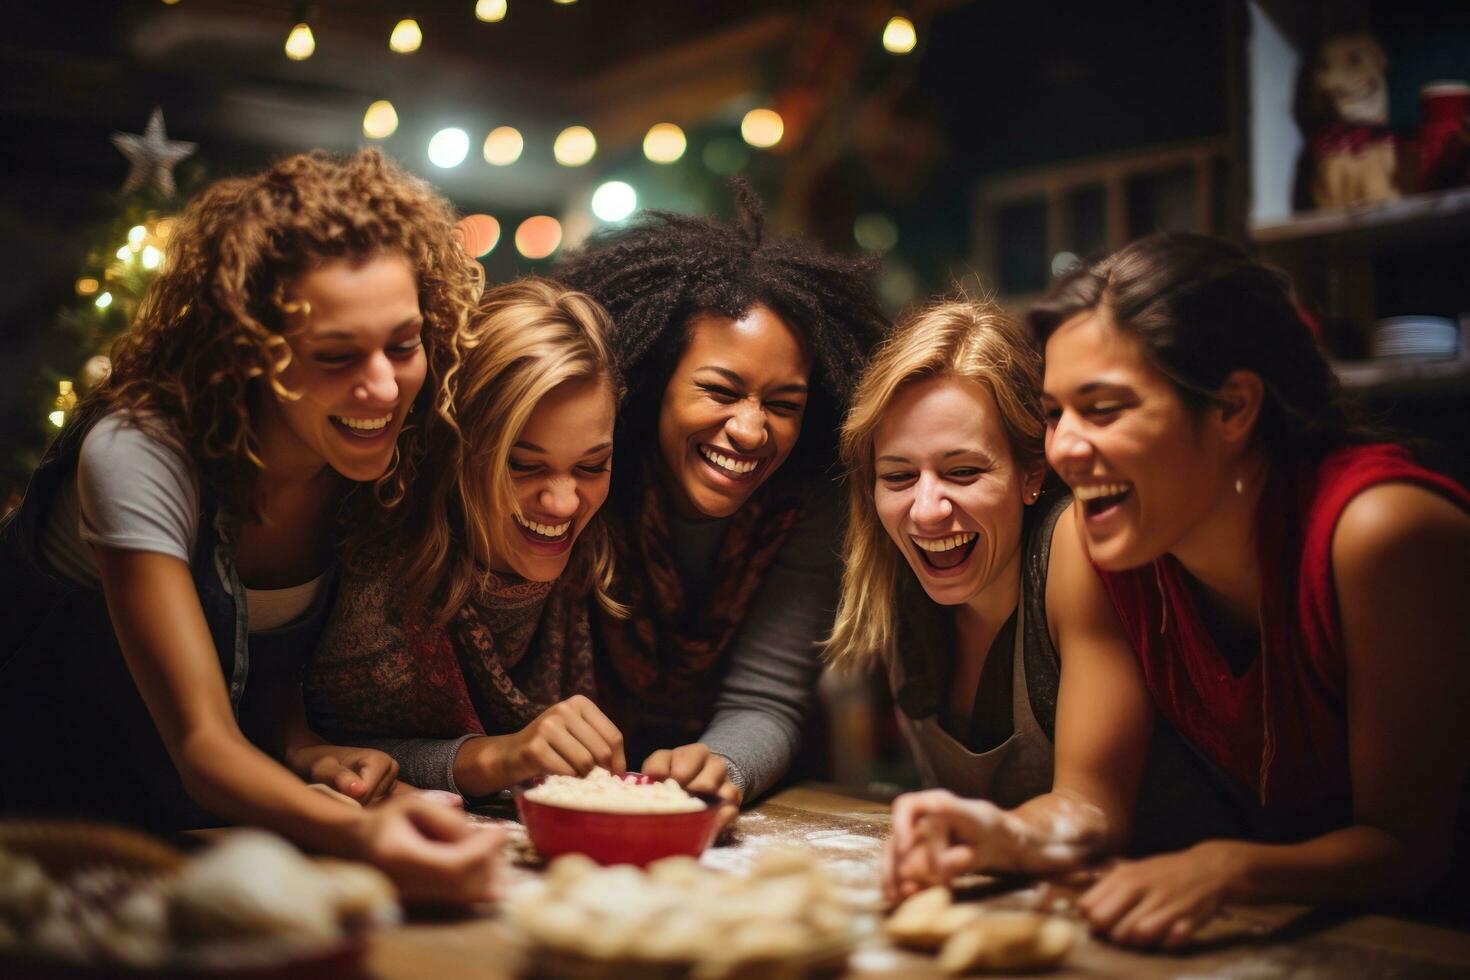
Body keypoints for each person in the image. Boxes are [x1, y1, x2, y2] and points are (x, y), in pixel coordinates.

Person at [884, 233, 1470, 947]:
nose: (1064, 447)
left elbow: (1413, 846)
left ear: (1232, 409)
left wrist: (1228, 869)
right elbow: (1092, 804)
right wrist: (1004, 835)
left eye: (1103, 408)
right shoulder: (1124, 548)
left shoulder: (1381, 534)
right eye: (1055, 412)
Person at [0, 150, 502, 903]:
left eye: (404, 344)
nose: (384, 385)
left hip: (192, 853)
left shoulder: (361, 457)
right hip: (45, 851)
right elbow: (203, 744)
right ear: (248, 352)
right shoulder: (138, 450)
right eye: (336, 355)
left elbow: (256, 662)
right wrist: (367, 836)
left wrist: (307, 752)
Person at [831, 300, 1240, 896]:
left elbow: (1093, 811)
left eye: (964, 471)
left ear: (1031, 473)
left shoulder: (1075, 549)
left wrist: (992, 837)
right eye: (897, 476)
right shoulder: (896, 562)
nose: (925, 510)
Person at [556, 180, 889, 808]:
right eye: (720, 390)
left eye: (784, 404)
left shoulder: (809, 504)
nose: (750, 429)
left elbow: (767, 697)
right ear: (652, 379)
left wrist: (721, 767)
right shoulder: (580, 478)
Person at [305, 278, 631, 805]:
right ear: (457, 451)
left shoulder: (607, 556)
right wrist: (495, 757)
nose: (565, 503)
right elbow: (317, 747)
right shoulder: (374, 563)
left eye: (592, 465)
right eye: (523, 466)